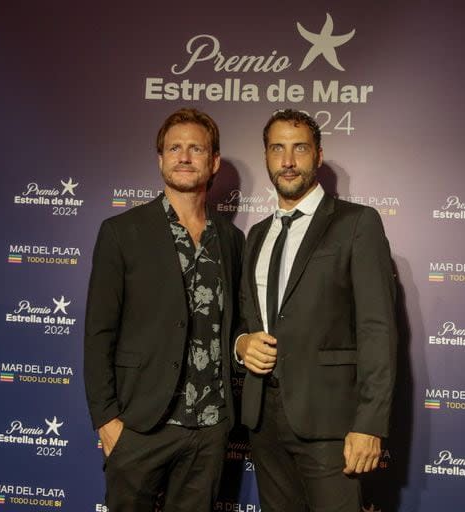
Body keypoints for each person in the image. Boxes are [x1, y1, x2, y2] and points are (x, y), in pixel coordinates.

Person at [235, 109, 397, 511]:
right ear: (267, 157)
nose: (288, 161)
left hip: (332, 426)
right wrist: (241, 343)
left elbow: (378, 329)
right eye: (277, 149)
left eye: (299, 149)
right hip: (264, 422)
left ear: (318, 156)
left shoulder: (358, 223)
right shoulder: (257, 235)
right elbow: (244, 319)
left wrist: (370, 424)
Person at [84, 108, 244, 511]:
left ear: (214, 162)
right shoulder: (122, 232)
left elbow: (238, 323)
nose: (184, 156)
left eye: (196, 148)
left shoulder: (232, 239)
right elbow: (99, 331)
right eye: (174, 148)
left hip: (210, 425)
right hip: (140, 425)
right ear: (160, 159)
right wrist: (107, 421)